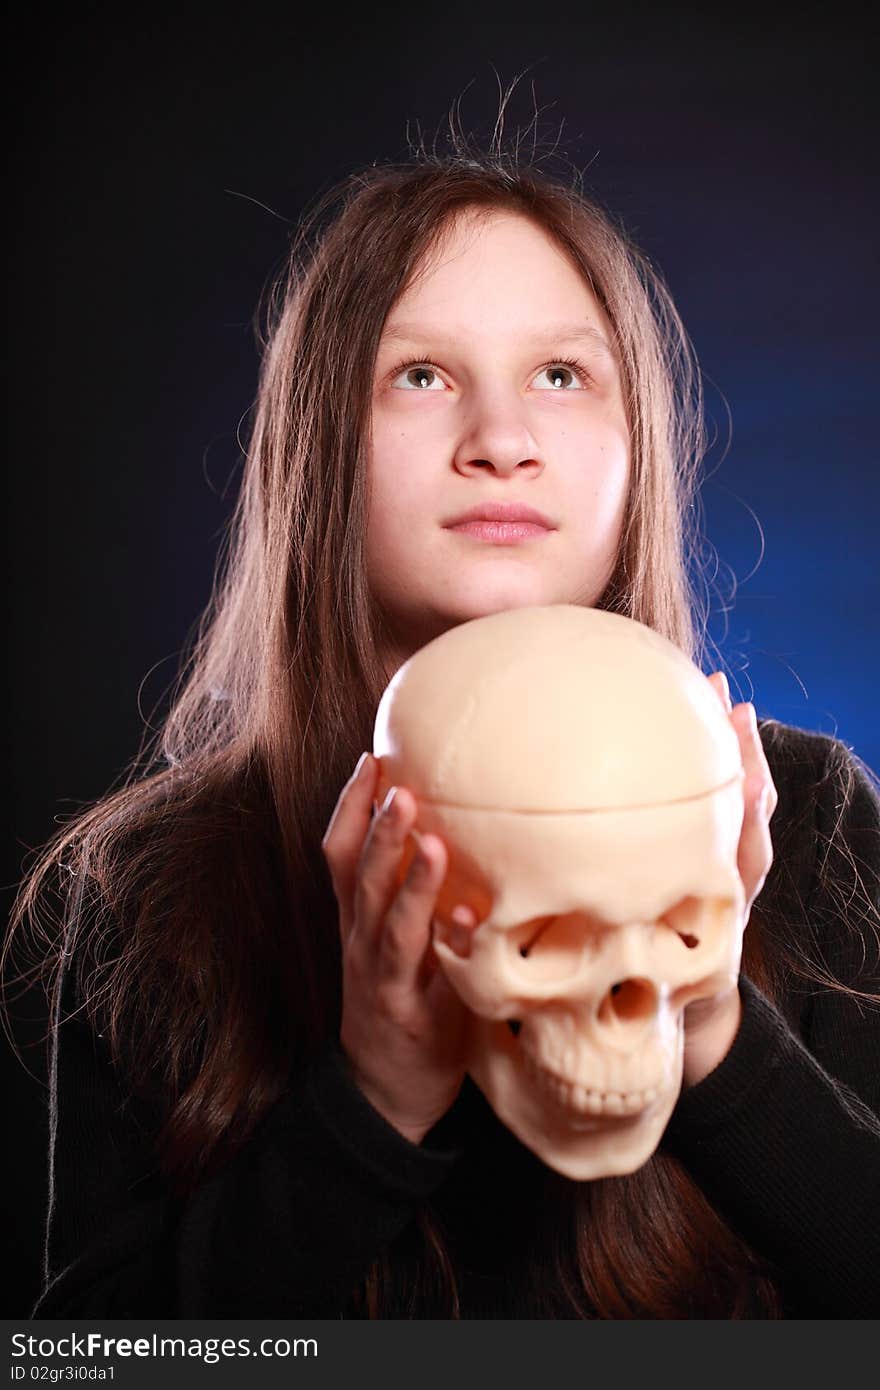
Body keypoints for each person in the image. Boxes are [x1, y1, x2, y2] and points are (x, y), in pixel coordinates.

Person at [6, 134, 879, 1320]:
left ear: (636, 449)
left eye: (562, 376)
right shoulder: (137, 887)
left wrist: (715, 1028)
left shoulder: (812, 813)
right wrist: (372, 1097)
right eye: (421, 374)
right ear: (319, 446)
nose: (501, 439)